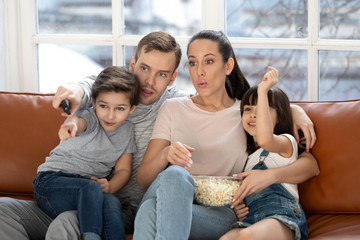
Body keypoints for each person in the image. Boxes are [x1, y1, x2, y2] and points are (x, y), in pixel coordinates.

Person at [0, 31, 315, 240]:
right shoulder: (114, 97)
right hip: (87, 198)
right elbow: (90, 84)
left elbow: (265, 119)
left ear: (173, 77)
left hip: (172, 207)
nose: (149, 82)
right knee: (5, 210)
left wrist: (294, 111)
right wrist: (77, 91)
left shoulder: (199, 107)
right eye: (145, 69)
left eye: (162, 73)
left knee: (76, 222)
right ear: (132, 64)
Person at [133, 30, 319, 240]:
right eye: (193, 63)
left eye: (209, 61)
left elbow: (309, 164)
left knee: (150, 211)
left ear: (228, 66)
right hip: (170, 193)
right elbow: (143, 180)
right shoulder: (172, 108)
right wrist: (165, 154)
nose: (199, 72)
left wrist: (295, 110)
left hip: (220, 213)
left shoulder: (246, 114)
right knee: (175, 174)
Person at [33, 66, 139, 240]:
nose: (110, 116)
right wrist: (71, 125)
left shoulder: (127, 132)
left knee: (111, 201)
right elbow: (79, 121)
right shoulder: (90, 117)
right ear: (94, 102)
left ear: (132, 108)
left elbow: (123, 170)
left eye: (120, 109)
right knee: (91, 188)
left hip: (89, 192)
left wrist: (110, 186)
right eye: (104, 106)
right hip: (51, 183)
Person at [220, 67, 307, 240]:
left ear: (280, 116)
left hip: (282, 217)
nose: (253, 115)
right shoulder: (248, 158)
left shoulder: (285, 143)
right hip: (251, 220)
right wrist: (238, 205)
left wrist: (263, 89)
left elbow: (265, 139)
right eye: (248, 109)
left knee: (246, 236)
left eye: (261, 109)